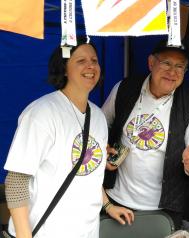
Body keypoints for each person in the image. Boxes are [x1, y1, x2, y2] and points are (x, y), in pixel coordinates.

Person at [3, 37, 132, 238]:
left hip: (87, 232)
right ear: (64, 68)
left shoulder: (98, 116)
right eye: (81, 61)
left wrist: (107, 205)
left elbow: (91, 174)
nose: (90, 66)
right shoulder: (42, 113)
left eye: (94, 60)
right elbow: (16, 181)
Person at [101, 40, 189, 230]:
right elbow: (100, 124)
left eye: (180, 66)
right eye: (166, 63)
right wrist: (103, 148)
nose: (172, 72)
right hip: (117, 200)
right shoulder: (125, 88)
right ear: (151, 63)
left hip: (165, 208)